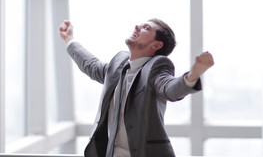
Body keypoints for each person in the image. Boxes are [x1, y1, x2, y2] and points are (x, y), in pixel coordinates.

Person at [59, 18, 214, 157]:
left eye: (146, 27)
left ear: (156, 45)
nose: (137, 26)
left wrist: (192, 76)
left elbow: (170, 88)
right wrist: (70, 40)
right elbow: (92, 65)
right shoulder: (118, 63)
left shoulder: (157, 67)